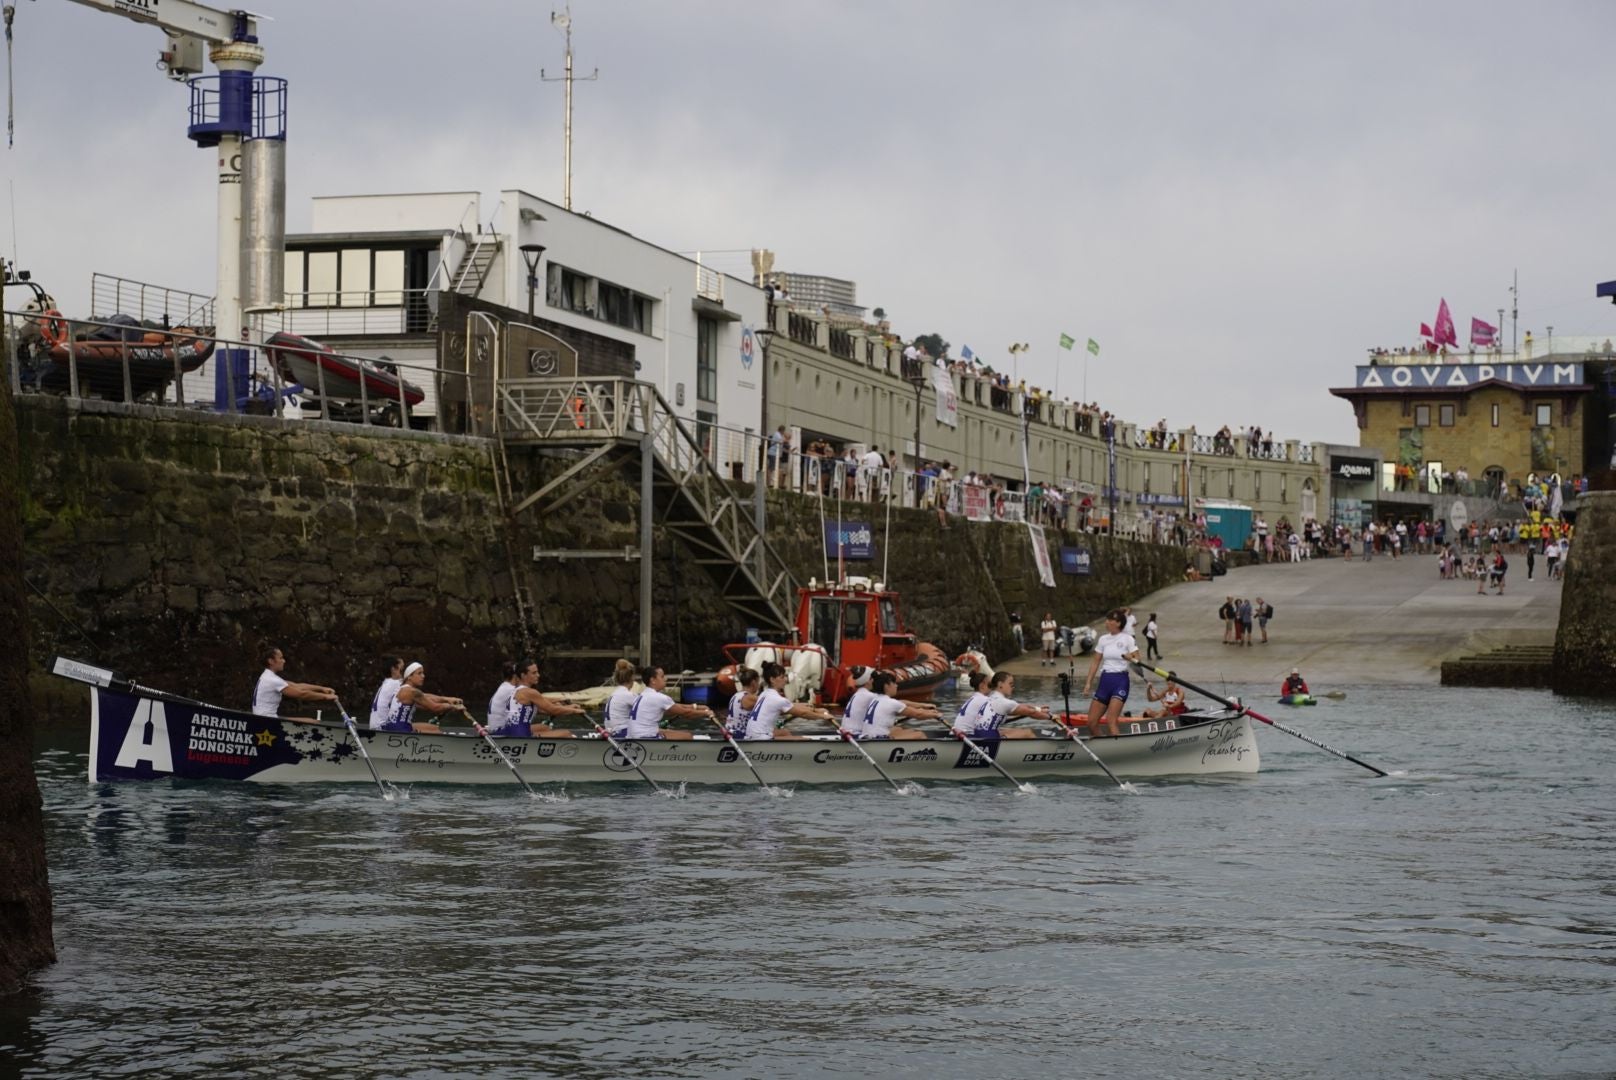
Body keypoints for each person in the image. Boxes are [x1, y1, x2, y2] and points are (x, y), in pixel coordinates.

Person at [1079, 609, 1139, 738]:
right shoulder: (1103, 639)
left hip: (1120, 681)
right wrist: (1088, 683)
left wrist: (1130, 656)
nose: (1106, 622)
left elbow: (1138, 659)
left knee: (1111, 720)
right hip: (1105, 681)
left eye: (1109, 620)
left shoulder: (1127, 638)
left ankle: (1118, 751)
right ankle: (1104, 747)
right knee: (1091, 722)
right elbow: (1095, 662)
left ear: (1118, 623)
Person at [494, 660, 585, 737]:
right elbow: (552, 710)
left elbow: (544, 704)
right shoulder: (530, 692)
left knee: (545, 727)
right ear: (523, 675)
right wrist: (574, 711)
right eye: (534, 673)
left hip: (512, 730)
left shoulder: (517, 690)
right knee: (566, 734)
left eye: (537, 672)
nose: (538, 675)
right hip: (520, 734)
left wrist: (569, 707)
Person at [745, 661, 833, 739]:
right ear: (772, 680)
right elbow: (803, 714)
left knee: (785, 732)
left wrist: (817, 710)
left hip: (751, 735)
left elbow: (793, 706)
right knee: (805, 740)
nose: (786, 680)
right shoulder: (777, 699)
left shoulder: (764, 694)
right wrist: (823, 716)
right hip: (761, 737)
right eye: (782, 677)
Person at [252, 645, 337, 719]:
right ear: (270, 661)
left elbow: (297, 686)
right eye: (281, 658)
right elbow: (301, 694)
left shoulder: (268, 676)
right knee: (312, 722)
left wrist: (322, 689)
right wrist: (325, 697)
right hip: (267, 721)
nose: (284, 661)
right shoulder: (272, 680)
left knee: (310, 720)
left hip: (265, 719)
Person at [628, 666, 711, 740]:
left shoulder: (642, 695)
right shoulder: (658, 697)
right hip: (645, 737)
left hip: (634, 735)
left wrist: (696, 707)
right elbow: (686, 713)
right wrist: (706, 713)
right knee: (687, 736)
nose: (665, 679)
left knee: (676, 731)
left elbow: (675, 707)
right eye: (662, 676)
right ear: (653, 680)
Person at [377, 662, 463, 733]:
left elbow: (427, 697)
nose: (423, 676)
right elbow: (435, 708)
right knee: (436, 731)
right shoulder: (413, 692)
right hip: (401, 730)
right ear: (409, 677)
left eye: (423, 673)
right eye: (419, 673)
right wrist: (453, 706)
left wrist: (449, 699)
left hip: (392, 727)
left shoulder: (403, 689)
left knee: (432, 727)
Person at [857, 670, 940, 740]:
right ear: (886, 686)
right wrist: (935, 714)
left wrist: (923, 707)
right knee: (920, 735)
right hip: (878, 739)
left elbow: (903, 705)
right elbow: (918, 715)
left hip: (867, 737)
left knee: (900, 729)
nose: (896, 686)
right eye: (894, 683)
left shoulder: (876, 699)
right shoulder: (890, 703)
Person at [974, 671, 1050, 739]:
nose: (1013, 687)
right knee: (1028, 733)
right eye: (1010, 684)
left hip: (979, 734)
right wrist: (1051, 717)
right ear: (1000, 684)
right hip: (989, 739)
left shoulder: (990, 697)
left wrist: (1039, 709)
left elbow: (1022, 707)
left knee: (1008, 731)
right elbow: (1031, 712)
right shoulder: (1004, 702)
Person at [603, 658, 639, 739]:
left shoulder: (613, 694)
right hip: (622, 734)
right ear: (632, 677)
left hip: (611, 733)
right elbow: (647, 709)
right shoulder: (628, 695)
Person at [839, 666, 878, 737]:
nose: (874, 680)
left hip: (846, 734)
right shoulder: (869, 696)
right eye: (872, 678)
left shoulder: (857, 694)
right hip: (855, 735)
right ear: (868, 681)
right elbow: (887, 702)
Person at [725, 667, 761, 738]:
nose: (759, 685)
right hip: (740, 735)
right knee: (783, 733)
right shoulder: (749, 697)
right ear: (753, 683)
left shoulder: (735, 695)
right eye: (758, 682)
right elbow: (770, 704)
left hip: (730, 732)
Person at [368, 655, 403, 729]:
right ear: (393, 669)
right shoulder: (396, 683)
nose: (403, 674)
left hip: (374, 725)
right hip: (382, 727)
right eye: (401, 670)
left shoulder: (386, 682)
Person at [487, 660, 519, 729]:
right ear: (515, 675)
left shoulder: (504, 686)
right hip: (499, 731)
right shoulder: (511, 689)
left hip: (494, 728)